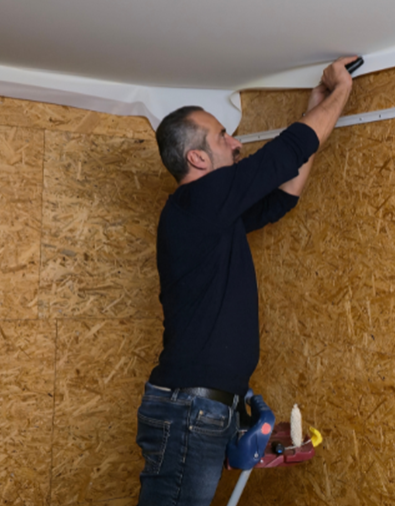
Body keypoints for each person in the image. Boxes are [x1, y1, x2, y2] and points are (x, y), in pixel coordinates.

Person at [135, 56, 357, 505]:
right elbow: (282, 155)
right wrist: (341, 93)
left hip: (200, 409)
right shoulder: (197, 202)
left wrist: (314, 106)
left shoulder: (212, 216)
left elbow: (281, 197)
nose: (235, 143)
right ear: (197, 157)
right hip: (189, 409)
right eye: (222, 136)